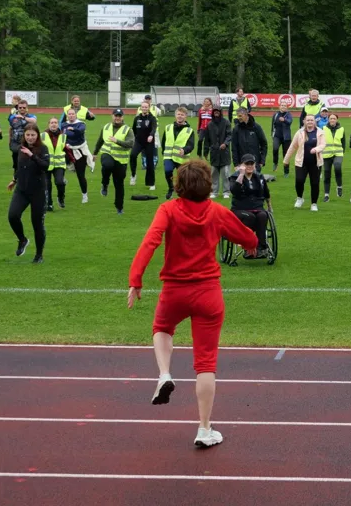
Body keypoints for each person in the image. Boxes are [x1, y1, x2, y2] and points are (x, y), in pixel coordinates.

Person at [127, 158, 258, 449]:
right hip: (208, 293)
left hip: (174, 290)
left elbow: (151, 240)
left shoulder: (168, 209)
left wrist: (135, 280)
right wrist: (249, 244)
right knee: (206, 363)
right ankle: (204, 428)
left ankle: (164, 373)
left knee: (162, 327)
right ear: (207, 185)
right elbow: (248, 237)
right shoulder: (216, 212)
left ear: (179, 186)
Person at [7, 123, 49, 263]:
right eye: (28, 135)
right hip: (22, 190)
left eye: (33, 135)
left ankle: (39, 255)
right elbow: (20, 167)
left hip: (38, 191)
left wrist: (32, 155)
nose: (30, 137)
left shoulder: (43, 149)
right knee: (12, 216)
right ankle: (22, 239)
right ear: (24, 136)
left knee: (37, 224)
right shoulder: (20, 149)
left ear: (37, 135)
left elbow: (45, 166)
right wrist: (14, 180)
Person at [229, 154, 271, 258]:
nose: (249, 166)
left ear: (255, 164)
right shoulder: (234, 177)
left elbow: (266, 193)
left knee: (263, 215)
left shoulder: (259, 177)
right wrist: (241, 174)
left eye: (251, 163)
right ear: (241, 165)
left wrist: (269, 206)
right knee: (250, 217)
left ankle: (262, 247)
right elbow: (234, 191)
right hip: (240, 208)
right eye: (247, 164)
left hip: (257, 207)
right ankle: (248, 247)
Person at [95, 109, 134, 215]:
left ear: (123, 117)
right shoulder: (106, 127)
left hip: (121, 160)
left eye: (119, 116)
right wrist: (94, 153)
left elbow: (131, 144)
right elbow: (100, 141)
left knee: (119, 184)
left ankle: (119, 207)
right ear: (112, 116)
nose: (117, 118)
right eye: (116, 116)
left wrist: (117, 141)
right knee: (107, 165)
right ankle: (105, 184)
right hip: (106, 154)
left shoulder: (128, 130)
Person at [285, 114, 327, 210]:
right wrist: (286, 159)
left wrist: (316, 149)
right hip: (301, 162)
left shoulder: (320, 132)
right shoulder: (299, 132)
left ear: (314, 121)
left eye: (311, 120)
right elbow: (293, 146)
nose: (310, 122)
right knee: (299, 180)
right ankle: (300, 198)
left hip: (316, 163)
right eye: (308, 120)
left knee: (315, 183)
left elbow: (323, 144)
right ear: (304, 121)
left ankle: (314, 204)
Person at [162, 107, 196, 200]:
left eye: (182, 115)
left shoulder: (189, 130)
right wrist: (163, 153)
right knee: (168, 171)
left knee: (183, 177)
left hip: (182, 157)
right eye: (178, 114)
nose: (180, 116)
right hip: (168, 156)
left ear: (186, 117)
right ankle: (170, 188)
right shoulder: (168, 127)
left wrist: (184, 150)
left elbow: (191, 145)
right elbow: (164, 141)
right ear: (175, 115)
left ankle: (182, 191)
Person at [61, 107, 91, 203]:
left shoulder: (81, 124)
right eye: (69, 114)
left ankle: (84, 195)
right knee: (58, 167)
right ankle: (62, 179)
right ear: (67, 115)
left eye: (72, 114)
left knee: (80, 175)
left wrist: (73, 129)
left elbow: (79, 132)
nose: (71, 115)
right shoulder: (63, 124)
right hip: (67, 150)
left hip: (79, 150)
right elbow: (62, 136)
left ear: (76, 115)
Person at [42, 116, 68, 211]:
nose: (54, 124)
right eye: (52, 122)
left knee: (60, 182)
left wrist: (72, 161)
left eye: (55, 122)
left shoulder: (63, 136)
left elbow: (66, 149)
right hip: (46, 164)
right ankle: (49, 204)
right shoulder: (43, 135)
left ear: (58, 124)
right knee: (47, 185)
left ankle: (61, 198)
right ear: (48, 124)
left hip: (59, 164)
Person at [130, 101, 158, 191]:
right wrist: (132, 140)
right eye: (143, 107)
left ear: (149, 108)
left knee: (150, 162)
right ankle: (133, 175)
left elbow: (154, 128)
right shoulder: (137, 118)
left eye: (146, 107)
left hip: (149, 143)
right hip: (138, 142)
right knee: (132, 155)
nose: (144, 108)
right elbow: (133, 130)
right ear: (140, 108)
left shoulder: (152, 118)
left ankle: (151, 183)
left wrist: (151, 135)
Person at [206, 107, 233, 198]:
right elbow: (207, 139)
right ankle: (214, 192)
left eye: (218, 112)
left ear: (220, 113)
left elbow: (229, 135)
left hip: (224, 152)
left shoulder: (226, 122)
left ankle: (226, 191)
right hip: (214, 152)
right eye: (215, 112)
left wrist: (225, 143)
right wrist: (206, 151)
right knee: (214, 173)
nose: (216, 114)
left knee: (225, 173)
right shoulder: (210, 124)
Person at [320, 112, 347, 203]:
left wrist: (342, 151)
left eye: (334, 118)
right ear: (328, 119)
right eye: (331, 118)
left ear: (337, 120)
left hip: (338, 153)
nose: (332, 120)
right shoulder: (323, 128)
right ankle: (326, 195)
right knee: (327, 173)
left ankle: (339, 186)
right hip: (327, 154)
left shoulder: (341, 129)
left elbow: (343, 142)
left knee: (337, 166)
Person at [7, 100, 37, 174]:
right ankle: (16, 179)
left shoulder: (31, 116)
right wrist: (9, 140)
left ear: (27, 108)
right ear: (18, 108)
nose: (22, 109)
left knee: (27, 161)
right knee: (16, 162)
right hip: (15, 142)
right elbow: (10, 128)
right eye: (20, 107)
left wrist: (23, 118)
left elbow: (34, 121)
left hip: (27, 142)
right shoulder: (12, 117)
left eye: (24, 107)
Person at [270, 102, 293, 176]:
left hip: (286, 138)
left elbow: (289, 122)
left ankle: (286, 171)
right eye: (282, 105)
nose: (283, 107)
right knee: (275, 149)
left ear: (287, 107)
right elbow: (273, 125)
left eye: (285, 105)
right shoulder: (275, 114)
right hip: (277, 136)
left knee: (286, 154)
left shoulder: (288, 114)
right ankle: (275, 162)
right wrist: (272, 134)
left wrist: (284, 120)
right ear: (279, 107)